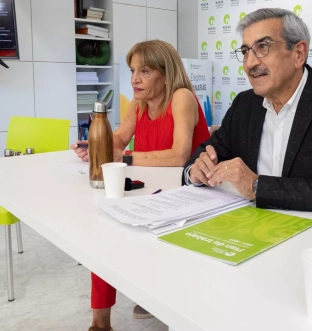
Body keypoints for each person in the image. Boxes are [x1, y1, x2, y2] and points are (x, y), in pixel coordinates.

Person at [71, 40, 210, 331]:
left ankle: (155, 291)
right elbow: (119, 140)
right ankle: (99, 324)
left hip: (190, 196)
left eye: (144, 71)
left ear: (166, 72)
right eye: (133, 70)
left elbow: (180, 155)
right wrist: (95, 146)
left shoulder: (181, 97)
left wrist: (126, 157)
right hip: (151, 190)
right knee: (103, 232)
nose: (134, 79)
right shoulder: (138, 103)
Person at [183, 8, 312, 214]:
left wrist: (257, 186)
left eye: (263, 47)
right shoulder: (244, 104)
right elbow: (206, 153)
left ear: (299, 54)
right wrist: (195, 170)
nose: (250, 63)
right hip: (249, 228)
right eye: (246, 51)